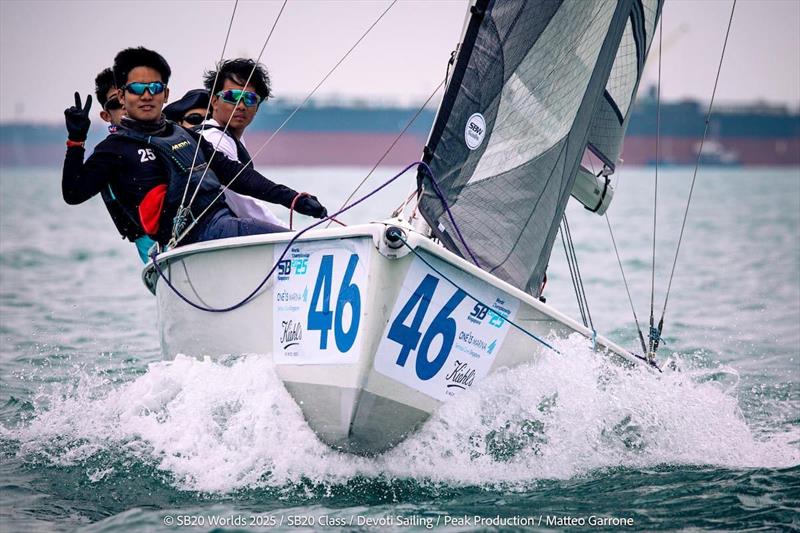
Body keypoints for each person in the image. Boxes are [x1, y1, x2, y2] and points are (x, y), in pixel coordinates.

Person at [62, 47, 327, 254]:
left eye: (154, 88)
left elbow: (237, 176)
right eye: (137, 89)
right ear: (122, 96)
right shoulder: (114, 148)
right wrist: (76, 141)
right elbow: (73, 193)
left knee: (294, 243)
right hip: (186, 241)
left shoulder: (185, 135)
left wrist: (293, 199)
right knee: (291, 244)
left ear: (165, 94)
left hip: (218, 226)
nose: (146, 96)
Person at [200, 58, 286, 228]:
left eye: (250, 99)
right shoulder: (214, 139)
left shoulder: (232, 138)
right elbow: (244, 204)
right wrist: (288, 232)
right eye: (232, 97)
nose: (241, 106)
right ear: (214, 101)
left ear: (258, 106)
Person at [93, 67, 157, 262]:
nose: (125, 103)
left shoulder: (166, 135)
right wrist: (75, 142)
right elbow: (72, 192)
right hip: (152, 246)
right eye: (116, 101)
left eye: (130, 93)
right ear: (106, 115)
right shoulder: (109, 152)